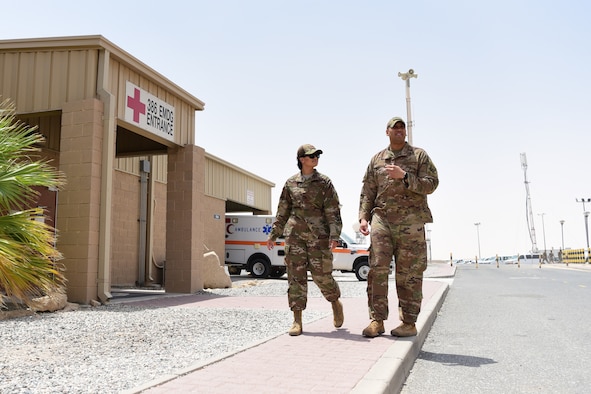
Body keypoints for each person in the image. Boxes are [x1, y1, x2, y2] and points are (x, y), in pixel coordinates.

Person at [358, 116, 439, 338]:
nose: (399, 131)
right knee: (377, 270)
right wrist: (363, 217)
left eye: (402, 128)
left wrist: (405, 177)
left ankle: (409, 322)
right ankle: (377, 320)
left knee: (409, 273)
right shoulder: (377, 160)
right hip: (382, 220)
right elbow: (368, 190)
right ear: (387, 132)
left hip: (411, 223)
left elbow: (432, 184)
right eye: (395, 128)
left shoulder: (419, 156)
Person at [266, 144, 344, 336]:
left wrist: (335, 235)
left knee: (322, 275)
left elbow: (333, 210)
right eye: (311, 156)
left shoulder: (324, 183)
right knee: (295, 277)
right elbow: (282, 211)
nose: (315, 158)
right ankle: (297, 320)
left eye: (317, 155)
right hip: (295, 237)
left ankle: (335, 302)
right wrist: (274, 234)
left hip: (319, 238)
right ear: (302, 159)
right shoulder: (290, 183)